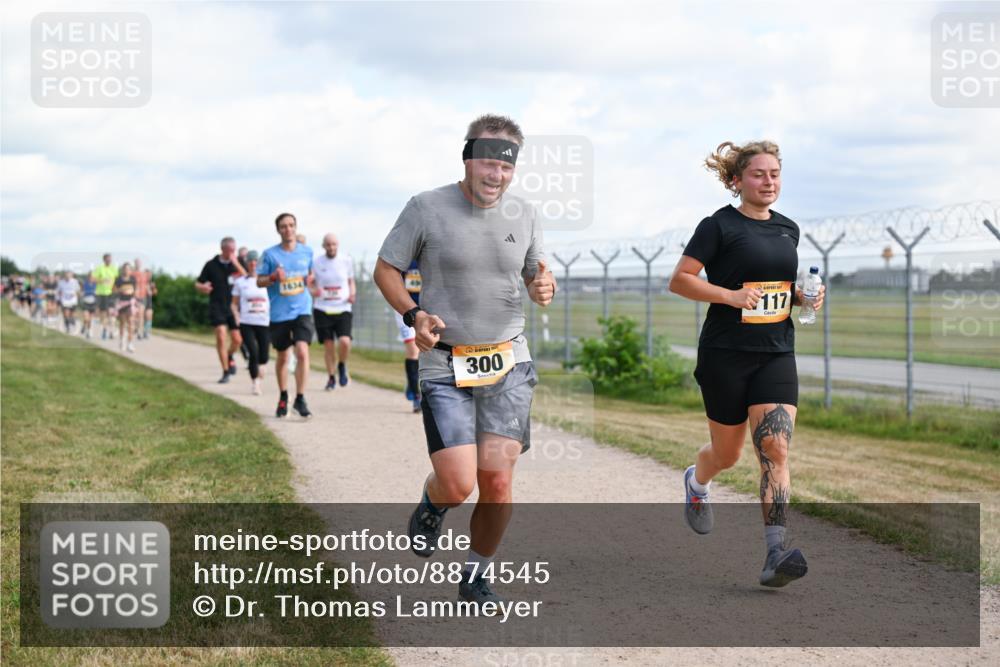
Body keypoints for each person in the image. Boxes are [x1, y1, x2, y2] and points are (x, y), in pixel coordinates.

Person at [374, 114, 556, 607]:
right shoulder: (426, 207)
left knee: (496, 481)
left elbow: (537, 276)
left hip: (509, 361)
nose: (496, 174)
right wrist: (413, 313)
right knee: (458, 482)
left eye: (507, 166)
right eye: (488, 163)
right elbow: (386, 269)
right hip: (445, 363)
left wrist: (544, 287)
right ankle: (433, 505)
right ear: (468, 158)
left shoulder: (524, 213)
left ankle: (476, 574)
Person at [668, 140, 826, 588]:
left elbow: (781, 288)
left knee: (775, 448)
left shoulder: (788, 229)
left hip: (776, 351)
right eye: (759, 174)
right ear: (736, 180)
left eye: (775, 173)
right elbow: (680, 280)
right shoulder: (718, 225)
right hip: (725, 354)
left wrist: (803, 297)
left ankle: (777, 552)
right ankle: (697, 483)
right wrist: (730, 296)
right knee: (727, 453)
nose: (769, 181)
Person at [257, 213, 315, 419]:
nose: (288, 229)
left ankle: (300, 398)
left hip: (302, 310)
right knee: (283, 356)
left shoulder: (307, 252)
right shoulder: (270, 255)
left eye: (291, 225)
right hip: (279, 313)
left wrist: (311, 279)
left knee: (302, 351)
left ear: (296, 227)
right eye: (283, 226)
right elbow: (259, 281)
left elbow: (311, 276)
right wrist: (273, 277)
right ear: (278, 230)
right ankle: (283, 396)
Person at [196, 237, 246, 384]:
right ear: (222, 249)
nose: (232, 253)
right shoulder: (211, 265)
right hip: (217, 305)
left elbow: (248, 278)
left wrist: (236, 263)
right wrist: (202, 287)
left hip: (234, 307)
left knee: (237, 340)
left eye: (234, 250)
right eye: (230, 250)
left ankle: (229, 356)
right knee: (221, 336)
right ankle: (225, 371)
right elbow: (198, 283)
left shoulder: (237, 264)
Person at [312, 233, 356, 390]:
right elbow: (309, 283)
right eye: (328, 245)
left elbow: (351, 281)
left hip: (342, 307)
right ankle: (331, 377)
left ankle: (342, 365)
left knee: (345, 341)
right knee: (328, 346)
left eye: (334, 244)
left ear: (338, 245)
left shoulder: (346, 260)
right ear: (323, 246)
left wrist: (352, 293)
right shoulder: (316, 262)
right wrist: (313, 291)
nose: (331, 247)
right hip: (323, 308)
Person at [232, 250, 271, 395]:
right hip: (246, 321)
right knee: (253, 352)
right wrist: (236, 315)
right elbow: (234, 304)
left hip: (264, 321)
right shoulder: (240, 282)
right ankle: (255, 383)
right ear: (247, 264)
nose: (253, 264)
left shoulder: (266, 281)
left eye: (256, 262)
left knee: (264, 354)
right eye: (250, 262)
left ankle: (262, 365)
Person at [394, 261, 423, 412]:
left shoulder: (431, 253)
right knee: (413, 350)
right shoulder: (404, 257)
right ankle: (417, 397)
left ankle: (413, 381)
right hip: (405, 310)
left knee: (426, 351)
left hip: (427, 309)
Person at [93, 253, 118, 339]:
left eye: (110, 259)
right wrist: (102, 280)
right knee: (104, 314)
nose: (109, 261)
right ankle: (104, 330)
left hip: (111, 294)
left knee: (111, 313)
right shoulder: (100, 268)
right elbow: (93, 279)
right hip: (102, 293)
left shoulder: (114, 269)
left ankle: (112, 331)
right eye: (107, 259)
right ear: (104, 260)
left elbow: (117, 280)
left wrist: (116, 289)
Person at [114, 262, 138, 352]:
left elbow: (135, 290)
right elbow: (114, 290)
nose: (126, 270)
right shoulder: (119, 279)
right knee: (122, 323)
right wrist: (122, 289)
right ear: (123, 270)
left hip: (130, 302)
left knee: (131, 323)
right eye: (125, 269)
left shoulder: (133, 279)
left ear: (130, 270)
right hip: (121, 303)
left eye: (128, 269)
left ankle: (130, 343)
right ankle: (121, 340)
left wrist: (135, 298)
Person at [133, 258, 150, 340]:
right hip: (133, 297)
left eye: (139, 263)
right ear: (134, 264)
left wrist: (148, 290)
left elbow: (146, 284)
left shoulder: (144, 274)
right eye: (136, 263)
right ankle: (135, 328)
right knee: (134, 315)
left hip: (142, 297)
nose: (138, 264)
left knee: (141, 315)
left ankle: (139, 332)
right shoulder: (132, 274)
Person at [80, 272, 98, 338]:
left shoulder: (96, 285)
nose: (91, 278)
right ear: (88, 278)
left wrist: (96, 293)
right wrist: (82, 293)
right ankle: (85, 327)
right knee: (86, 318)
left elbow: (98, 293)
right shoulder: (84, 284)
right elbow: (81, 292)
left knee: (90, 319)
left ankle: (88, 330)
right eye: (90, 277)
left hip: (93, 303)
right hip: (86, 302)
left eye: (93, 277)